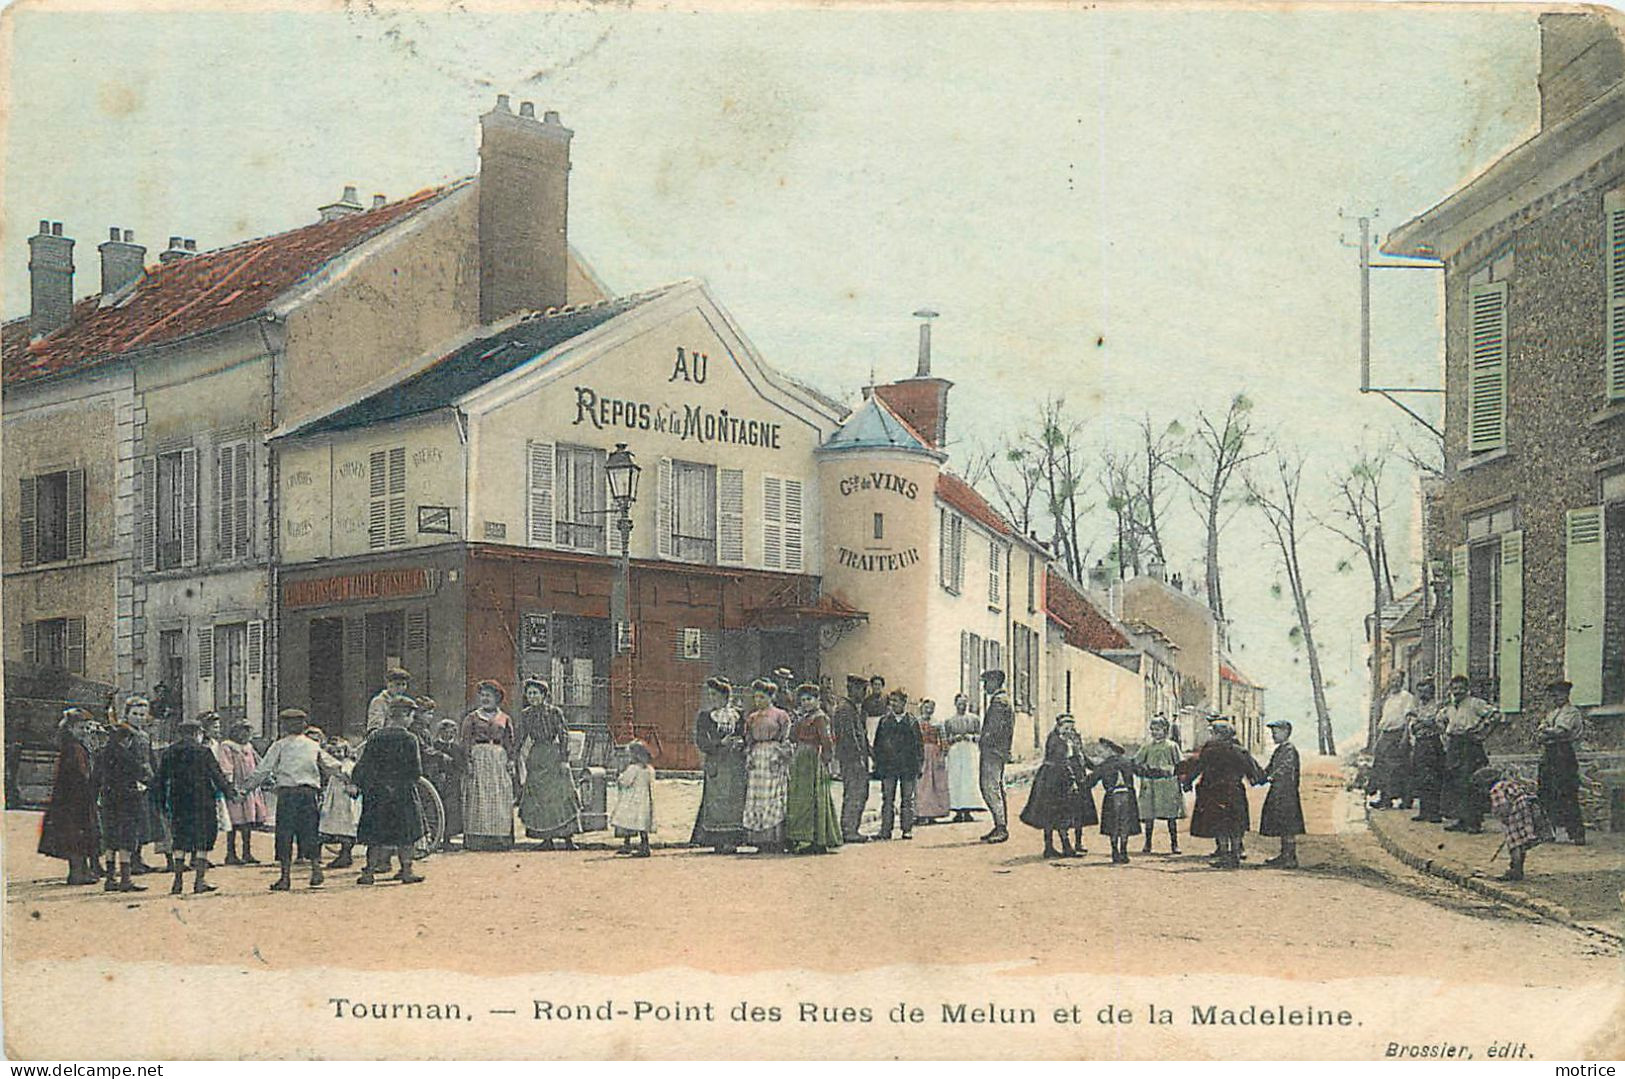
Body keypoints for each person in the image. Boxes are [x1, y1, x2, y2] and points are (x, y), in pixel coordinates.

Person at [242, 708, 340, 891]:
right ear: (304, 726)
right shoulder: (312, 745)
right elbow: (331, 765)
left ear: (283, 726)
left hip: (288, 794)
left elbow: (263, 770)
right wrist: (348, 775)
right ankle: (316, 870)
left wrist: (245, 789)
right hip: (308, 793)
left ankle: (285, 877)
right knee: (310, 831)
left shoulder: (279, 745)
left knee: (285, 834)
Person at [352, 697, 427, 884]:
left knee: (375, 835)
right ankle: (407, 870)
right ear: (405, 716)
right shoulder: (410, 739)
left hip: (377, 794)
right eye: (411, 716)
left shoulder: (375, 737)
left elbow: (363, 766)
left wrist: (361, 785)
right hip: (402, 793)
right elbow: (415, 771)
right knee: (406, 834)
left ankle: (368, 872)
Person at [156, 717, 233, 895]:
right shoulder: (204, 752)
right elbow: (217, 776)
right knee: (202, 840)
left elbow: (160, 779)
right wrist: (231, 794)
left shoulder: (169, 752)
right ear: (197, 734)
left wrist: (160, 802)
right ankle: (199, 881)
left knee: (180, 839)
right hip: (202, 801)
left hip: (178, 801)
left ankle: (178, 880)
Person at [1178, 717, 1262, 869]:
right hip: (1235, 791)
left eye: (1213, 733)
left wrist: (1187, 782)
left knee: (1220, 823)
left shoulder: (1210, 751)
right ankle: (1235, 855)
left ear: (1220, 734)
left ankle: (1224, 855)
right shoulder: (1240, 750)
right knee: (1235, 823)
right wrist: (1257, 779)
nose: (1211, 736)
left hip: (1214, 792)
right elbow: (1252, 771)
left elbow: (1198, 767)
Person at [516, 678, 581, 850]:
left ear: (544, 695)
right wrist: (515, 755)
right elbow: (522, 737)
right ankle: (546, 840)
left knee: (560, 797)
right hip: (537, 757)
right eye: (529, 693)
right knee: (539, 799)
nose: (532, 697)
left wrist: (564, 760)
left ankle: (568, 839)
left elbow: (564, 734)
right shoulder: (526, 714)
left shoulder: (554, 712)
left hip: (553, 755)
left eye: (535, 693)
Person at [38, 708, 101, 885]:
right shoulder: (74, 748)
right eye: (80, 727)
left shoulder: (74, 745)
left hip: (72, 798)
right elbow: (82, 774)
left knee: (77, 835)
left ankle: (81, 871)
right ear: (70, 729)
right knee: (75, 836)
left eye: (86, 727)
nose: (84, 731)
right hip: (74, 799)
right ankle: (77, 874)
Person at [1019, 715, 1094, 858]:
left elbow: (1081, 756)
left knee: (1060, 813)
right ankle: (1056, 848)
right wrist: (1072, 780)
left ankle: (1060, 847)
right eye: (1066, 727)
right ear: (1059, 726)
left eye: (1071, 727)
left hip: (1061, 777)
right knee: (1053, 813)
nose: (1069, 731)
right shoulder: (1056, 741)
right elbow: (1061, 761)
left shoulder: (1070, 739)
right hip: (1052, 779)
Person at [95, 710, 153, 893]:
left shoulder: (102, 754)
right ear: (125, 740)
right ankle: (126, 879)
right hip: (128, 801)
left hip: (108, 800)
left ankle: (110, 878)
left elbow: (95, 778)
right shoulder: (127, 756)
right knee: (126, 841)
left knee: (111, 840)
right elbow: (142, 775)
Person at [691, 677, 747, 853]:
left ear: (725, 696)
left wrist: (741, 742)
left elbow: (746, 735)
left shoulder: (738, 715)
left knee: (734, 800)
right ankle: (715, 840)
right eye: (710, 695)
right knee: (715, 800)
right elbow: (701, 741)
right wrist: (719, 743)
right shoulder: (705, 717)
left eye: (715, 695)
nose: (712, 699)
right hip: (716, 761)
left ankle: (732, 840)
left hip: (735, 762)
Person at [460, 680, 517, 851]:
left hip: (498, 758)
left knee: (499, 795)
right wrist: (468, 761)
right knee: (479, 795)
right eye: (482, 695)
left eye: (489, 696)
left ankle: (500, 839)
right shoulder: (472, 717)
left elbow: (510, 741)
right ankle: (478, 839)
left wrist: (511, 760)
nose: (485, 699)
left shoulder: (504, 718)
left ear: (497, 698)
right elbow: (465, 741)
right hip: (479, 757)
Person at [1441, 674, 1502, 833]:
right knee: (1457, 784)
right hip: (1455, 746)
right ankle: (1461, 819)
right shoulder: (1450, 707)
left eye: (1461, 688)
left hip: (1470, 746)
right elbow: (1440, 720)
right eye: (1454, 688)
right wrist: (1445, 733)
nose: (1458, 691)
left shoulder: (1475, 703)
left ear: (1467, 689)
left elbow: (1496, 715)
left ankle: (1474, 822)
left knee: (1472, 783)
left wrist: (1482, 731)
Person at [786, 682, 842, 854]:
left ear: (817, 700)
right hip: (800, 758)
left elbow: (827, 740)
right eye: (803, 700)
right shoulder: (803, 717)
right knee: (800, 797)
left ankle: (814, 837)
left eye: (809, 699)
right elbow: (792, 736)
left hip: (813, 758)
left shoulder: (820, 717)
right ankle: (800, 835)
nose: (806, 703)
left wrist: (826, 760)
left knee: (814, 797)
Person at [742, 679, 793, 853]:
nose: (758, 701)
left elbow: (786, 738)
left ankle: (776, 839)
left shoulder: (781, 715)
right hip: (757, 757)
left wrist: (780, 755)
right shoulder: (752, 717)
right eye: (756, 697)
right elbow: (748, 738)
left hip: (774, 756)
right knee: (757, 797)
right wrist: (749, 756)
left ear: (771, 696)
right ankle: (760, 840)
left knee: (774, 796)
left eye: (762, 697)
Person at [1479, 765, 1553, 882]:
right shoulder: (1508, 783)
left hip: (1517, 809)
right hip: (1528, 806)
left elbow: (1503, 808)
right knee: (1521, 840)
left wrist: (1506, 821)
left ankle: (1516, 870)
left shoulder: (1496, 789)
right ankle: (1517, 868)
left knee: (1514, 842)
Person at [1536, 679, 1586, 845]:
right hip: (1549, 754)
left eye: (1560, 693)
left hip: (1564, 754)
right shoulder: (1552, 714)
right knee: (1547, 792)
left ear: (1567, 695)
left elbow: (1561, 731)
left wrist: (1547, 731)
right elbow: (1540, 732)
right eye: (1554, 694)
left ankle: (1576, 833)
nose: (1556, 697)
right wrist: (1547, 732)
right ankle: (1549, 832)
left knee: (1567, 792)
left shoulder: (1572, 712)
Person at [871, 689, 923, 841]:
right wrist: (877, 764)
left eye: (897, 701)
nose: (893, 704)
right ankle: (885, 830)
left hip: (908, 766)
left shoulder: (912, 722)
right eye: (891, 701)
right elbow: (878, 745)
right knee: (887, 799)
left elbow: (919, 746)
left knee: (907, 799)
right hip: (889, 766)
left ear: (904, 703)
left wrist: (919, 765)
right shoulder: (884, 721)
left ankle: (907, 829)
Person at [216, 720, 268, 864]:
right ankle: (230, 853)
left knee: (247, 822)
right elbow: (226, 767)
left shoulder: (249, 747)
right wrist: (231, 787)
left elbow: (260, 763)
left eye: (248, 731)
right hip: (236, 787)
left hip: (249, 788)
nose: (246, 735)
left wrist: (264, 778)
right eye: (243, 731)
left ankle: (247, 852)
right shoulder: (227, 746)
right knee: (233, 821)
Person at [1256, 719, 1305, 869]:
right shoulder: (1280, 750)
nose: (1273, 735)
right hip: (1279, 792)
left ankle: (1290, 858)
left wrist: (1272, 777)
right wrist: (1259, 777)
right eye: (1272, 732)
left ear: (1285, 732)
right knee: (1282, 825)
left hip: (1287, 794)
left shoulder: (1290, 750)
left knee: (1288, 827)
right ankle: (1285, 855)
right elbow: (1270, 768)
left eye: (1275, 732)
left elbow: (1285, 767)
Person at [830, 677, 872, 844]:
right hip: (852, 759)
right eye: (861, 690)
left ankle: (852, 828)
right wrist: (859, 758)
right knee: (855, 792)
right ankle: (849, 830)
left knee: (860, 792)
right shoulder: (845, 709)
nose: (864, 694)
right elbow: (849, 737)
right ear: (852, 689)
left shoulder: (853, 709)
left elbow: (862, 735)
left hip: (858, 758)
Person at [1133, 716, 1184, 854]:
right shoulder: (1147, 746)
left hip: (1168, 784)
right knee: (1149, 815)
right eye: (1153, 730)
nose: (1155, 732)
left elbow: (1180, 764)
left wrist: (1179, 778)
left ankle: (1174, 844)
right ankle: (1147, 843)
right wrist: (1142, 771)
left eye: (1158, 730)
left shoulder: (1172, 746)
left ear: (1165, 730)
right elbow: (1136, 762)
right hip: (1151, 784)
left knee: (1171, 816)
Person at [1086, 736, 1141, 864]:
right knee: (1125, 825)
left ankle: (1115, 851)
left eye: (1102, 751)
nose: (1100, 754)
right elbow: (1144, 771)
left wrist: (1077, 784)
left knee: (1113, 825)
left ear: (1110, 750)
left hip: (1112, 797)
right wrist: (1165, 773)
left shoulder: (1104, 765)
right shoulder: (1127, 762)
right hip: (1127, 796)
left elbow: (1091, 781)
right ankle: (1124, 851)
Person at [1369, 671, 1417, 810]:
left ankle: (1405, 799)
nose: (1395, 683)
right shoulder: (1389, 699)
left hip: (1399, 734)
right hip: (1386, 735)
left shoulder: (1407, 697)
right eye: (1392, 680)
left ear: (1402, 682)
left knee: (1397, 768)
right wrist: (1379, 740)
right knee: (1382, 767)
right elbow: (1385, 721)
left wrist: (1405, 737)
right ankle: (1384, 798)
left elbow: (1409, 719)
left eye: (1398, 680)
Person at [979, 670, 1015, 843]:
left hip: (993, 751)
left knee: (990, 787)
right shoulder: (1002, 700)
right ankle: (999, 824)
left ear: (995, 682)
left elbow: (994, 730)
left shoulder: (999, 702)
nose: (985, 686)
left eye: (987, 682)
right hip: (997, 751)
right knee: (996, 787)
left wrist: (983, 741)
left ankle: (1001, 827)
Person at [422, 719, 468, 848]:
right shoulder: (435, 746)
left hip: (453, 783)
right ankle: (435, 837)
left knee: (452, 810)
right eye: (447, 732)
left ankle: (448, 838)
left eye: (453, 732)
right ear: (440, 732)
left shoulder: (457, 748)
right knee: (437, 809)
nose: (450, 735)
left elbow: (461, 764)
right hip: (438, 782)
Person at [318, 737, 362, 868]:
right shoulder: (334, 766)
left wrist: (349, 782)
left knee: (346, 825)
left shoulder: (347, 765)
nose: (337, 754)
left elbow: (349, 778)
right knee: (338, 825)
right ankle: (344, 854)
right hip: (336, 799)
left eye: (339, 751)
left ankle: (345, 854)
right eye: (333, 752)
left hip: (345, 799)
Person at [1408, 682, 1446, 823]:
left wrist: (1423, 722)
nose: (1423, 695)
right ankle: (1423, 811)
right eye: (1420, 692)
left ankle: (1434, 812)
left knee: (1433, 777)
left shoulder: (1438, 706)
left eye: (1426, 691)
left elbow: (1438, 724)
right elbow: (1413, 726)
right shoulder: (1418, 707)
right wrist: (1423, 722)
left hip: (1432, 743)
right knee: (1421, 777)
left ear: (1432, 692)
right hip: (1420, 743)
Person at [611, 741, 656, 858]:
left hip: (632, 799)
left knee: (627, 821)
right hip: (645, 799)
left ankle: (628, 844)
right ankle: (644, 844)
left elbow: (625, 782)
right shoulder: (649, 769)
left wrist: (619, 776)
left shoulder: (633, 769)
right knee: (642, 823)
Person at [943, 693, 984, 823]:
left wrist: (971, 737)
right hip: (955, 752)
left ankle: (968, 810)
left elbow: (980, 736)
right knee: (956, 779)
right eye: (960, 704)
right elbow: (946, 739)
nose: (962, 706)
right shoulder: (949, 721)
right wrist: (954, 739)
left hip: (969, 750)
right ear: (955, 704)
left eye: (964, 704)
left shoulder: (974, 719)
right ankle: (957, 810)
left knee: (969, 778)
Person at [913, 699, 951, 825]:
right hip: (920, 752)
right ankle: (921, 813)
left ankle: (933, 813)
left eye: (931, 708)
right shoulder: (916, 722)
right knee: (922, 783)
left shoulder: (938, 723)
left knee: (935, 783)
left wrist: (943, 755)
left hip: (934, 753)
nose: (928, 710)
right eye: (926, 707)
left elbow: (944, 741)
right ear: (922, 707)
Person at [368, 667, 412, 733]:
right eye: (397, 684)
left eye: (403, 684)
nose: (401, 688)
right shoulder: (379, 702)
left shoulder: (408, 702)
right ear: (388, 684)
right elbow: (375, 728)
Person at [860, 675, 889, 746]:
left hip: (883, 726)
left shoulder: (886, 699)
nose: (877, 687)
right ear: (872, 686)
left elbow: (888, 713)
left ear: (882, 686)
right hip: (870, 727)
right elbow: (863, 717)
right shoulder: (866, 701)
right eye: (875, 685)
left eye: (879, 685)